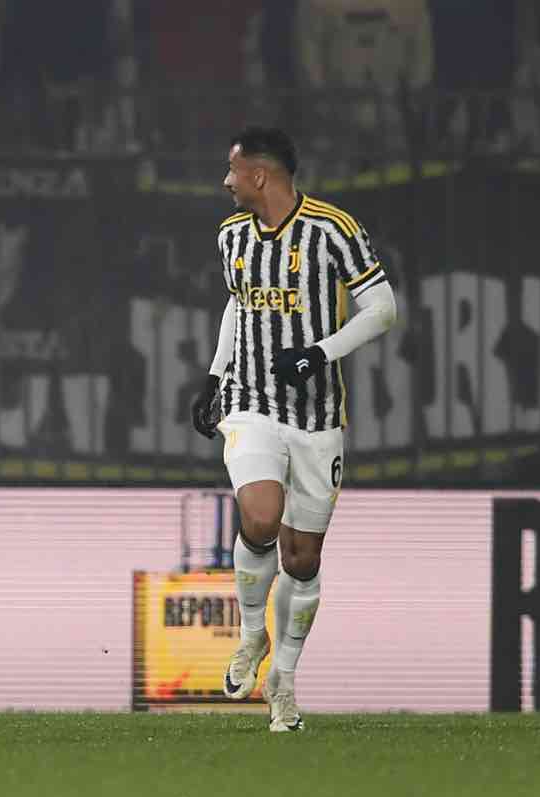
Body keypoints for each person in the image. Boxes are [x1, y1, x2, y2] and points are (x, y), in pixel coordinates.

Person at [191, 127, 396, 732]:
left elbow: (382, 309)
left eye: (232, 171)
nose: (225, 182)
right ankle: (251, 635)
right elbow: (238, 304)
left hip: (316, 418)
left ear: (259, 175)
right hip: (250, 402)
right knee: (259, 518)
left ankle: (283, 680)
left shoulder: (333, 230)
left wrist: (317, 354)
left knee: (302, 559)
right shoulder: (231, 235)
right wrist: (215, 376)